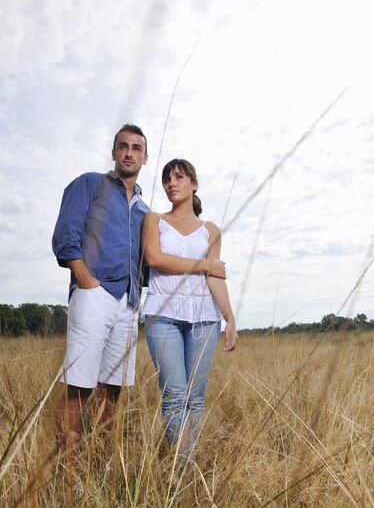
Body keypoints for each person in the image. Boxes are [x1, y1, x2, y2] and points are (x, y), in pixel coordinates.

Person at [52, 126, 226, 447]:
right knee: (79, 384)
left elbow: (150, 264)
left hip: (130, 303)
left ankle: (100, 459)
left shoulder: (147, 214)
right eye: (123, 146)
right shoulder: (91, 184)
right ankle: (69, 470)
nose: (129, 153)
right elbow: (67, 233)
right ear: (115, 152)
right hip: (95, 294)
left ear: (145, 158)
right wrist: (84, 278)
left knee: (111, 387)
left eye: (136, 148)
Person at [142, 158, 238, 460]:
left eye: (179, 177)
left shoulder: (211, 230)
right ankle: (184, 468)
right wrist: (205, 264)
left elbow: (215, 277)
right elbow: (154, 259)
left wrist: (230, 319)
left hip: (205, 319)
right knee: (173, 396)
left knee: (195, 398)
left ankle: (188, 461)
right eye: (167, 179)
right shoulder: (154, 219)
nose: (172, 183)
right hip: (163, 316)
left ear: (193, 184)